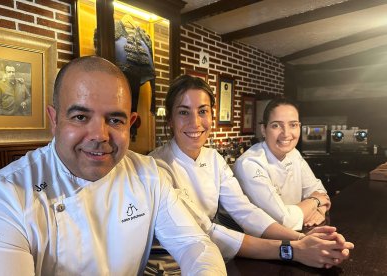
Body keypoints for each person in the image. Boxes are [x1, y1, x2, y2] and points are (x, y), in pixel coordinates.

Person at [0, 56, 226, 275]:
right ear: (54, 119)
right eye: (80, 117)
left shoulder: (149, 175)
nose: (99, 135)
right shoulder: (6, 195)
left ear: (131, 123)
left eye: (115, 120)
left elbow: (195, 244)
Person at [148, 75, 353, 272]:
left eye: (202, 111)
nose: (195, 122)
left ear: (212, 114)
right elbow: (206, 231)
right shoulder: (157, 167)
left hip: (212, 258)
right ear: (170, 120)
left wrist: (301, 240)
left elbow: (245, 211)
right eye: (184, 112)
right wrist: (293, 249)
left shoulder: (214, 159)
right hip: (171, 269)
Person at [234, 98, 330, 230]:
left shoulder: (294, 153)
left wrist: (319, 211)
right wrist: (316, 201)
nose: (286, 134)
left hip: (298, 234)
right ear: (263, 129)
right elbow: (283, 221)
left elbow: (320, 192)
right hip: (262, 244)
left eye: (293, 125)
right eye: (276, 125)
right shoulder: (249, 163)